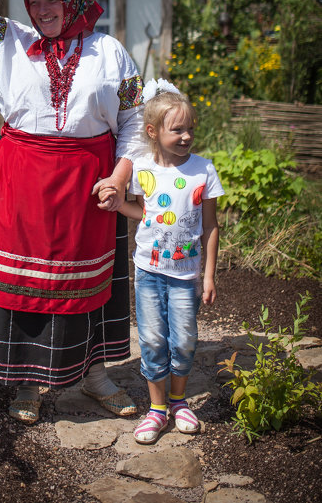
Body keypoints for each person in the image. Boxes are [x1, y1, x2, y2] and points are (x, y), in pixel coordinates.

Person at [0, 0, 144, 424]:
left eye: (51, 0)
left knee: (86, 282)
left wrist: (119, 178)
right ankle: (26, 383)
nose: (41, 11)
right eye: (33, 2)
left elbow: (134, 120)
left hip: (89, 180)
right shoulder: (11, 39)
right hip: (23, 176)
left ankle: (94, 377)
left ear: (72, 0)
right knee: (26, 280)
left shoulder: (109, 51)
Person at [112, 78, 224, 444]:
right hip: (148, 271)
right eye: (178, 130)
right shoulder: (142, 167)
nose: (187, 136)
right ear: (153, 131)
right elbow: (141, 212)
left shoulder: (203, 170)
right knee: (153, 339)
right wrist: (119, 205)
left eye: (191, 128)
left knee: (185, 340)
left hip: (185, 275)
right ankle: (157, 410)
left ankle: (179, 401)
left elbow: (210, 226)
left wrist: (208, 276)